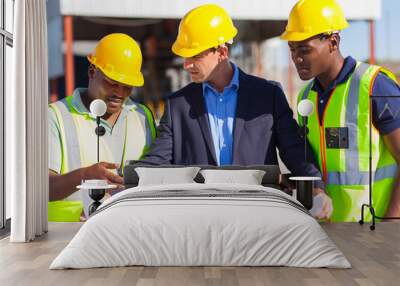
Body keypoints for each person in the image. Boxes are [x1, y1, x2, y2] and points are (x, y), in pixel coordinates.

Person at [136, 4, 332, 219]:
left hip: (258, 214)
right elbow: (155, 161)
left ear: (221, 52)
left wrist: (315, 188)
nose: (186, 65)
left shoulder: (268, 95)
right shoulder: (178, 105)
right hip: (198, 217)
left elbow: (294, 149)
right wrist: (117, 181)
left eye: (194, 56)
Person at [281, 0, 400, 222]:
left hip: (375, 230)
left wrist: (391, 226)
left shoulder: (375, 85)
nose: (297, 58)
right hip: (328, 230)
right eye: (292, 49)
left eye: (305, 49)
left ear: (333, 42)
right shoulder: (306, 96)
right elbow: (316, 161)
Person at [48, 33, 156, 221]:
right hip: (68, 237)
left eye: (127, 86)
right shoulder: (56, 116)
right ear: (92, 72)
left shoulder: (142, 116)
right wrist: (85, 176)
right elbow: (41, 189)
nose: (120, 93)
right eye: (112, 83)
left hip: (128, 232)